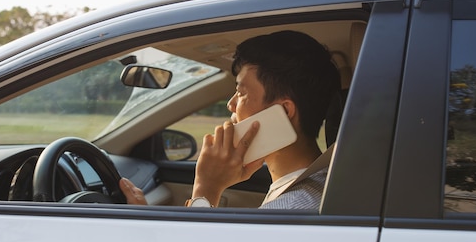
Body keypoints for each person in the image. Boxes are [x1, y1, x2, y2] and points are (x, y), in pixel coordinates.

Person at [119, 30, 341, 210]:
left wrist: (206, 188)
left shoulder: (290, 209)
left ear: (283, 111)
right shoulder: (320, 185)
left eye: (242, 93)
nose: (231, 105)